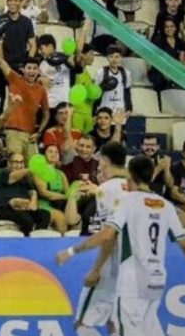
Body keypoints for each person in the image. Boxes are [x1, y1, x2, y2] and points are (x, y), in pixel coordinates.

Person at [56, 156, 185, 336]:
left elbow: (107, 235)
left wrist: (72, 251)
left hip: (133, 280)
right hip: (157, 279)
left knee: (124, 330)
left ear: (130, 175)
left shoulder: (127, 201)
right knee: (147, 329)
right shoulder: (165, 205)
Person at [54, 143, 128, 335]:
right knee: (116, 324)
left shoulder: (107, 189)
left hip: (113, 265)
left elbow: (108, 236)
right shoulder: (135, 187)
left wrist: (92, 266)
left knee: (82, 323)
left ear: (104, 161)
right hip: (135, 267)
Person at [0, 36, 49, 159]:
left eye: (34, 68)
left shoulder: (41, 89)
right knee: (15, 165)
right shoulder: (15, 79)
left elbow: (46, 113)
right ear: (23, 70)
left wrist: (39, 132)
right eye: (29, 68)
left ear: (39, 71)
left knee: (33, 171)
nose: (31, 71)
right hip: (13, 132)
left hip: (30, 135)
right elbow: (0, 61)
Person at [0, 152, 51, 236]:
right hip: (5, 207)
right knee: (27, 219)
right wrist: (32, 169)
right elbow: (13, 177)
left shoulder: (25, 178)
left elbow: (31, 191)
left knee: (45, 215)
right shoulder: (4, 172)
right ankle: (26, 243)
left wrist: (33, 199)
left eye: (21, 162)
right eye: (16, 162)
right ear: (9, 163)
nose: (19, 165)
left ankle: (37, 240)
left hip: (22, 207)